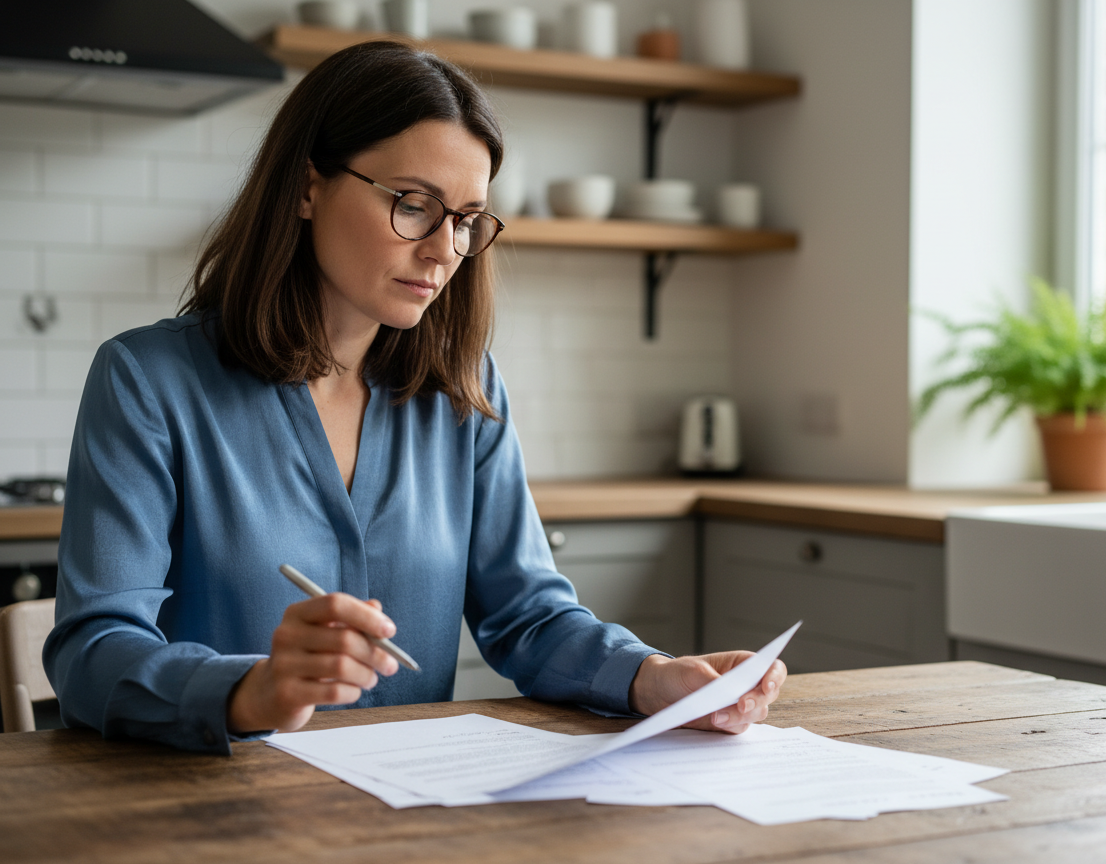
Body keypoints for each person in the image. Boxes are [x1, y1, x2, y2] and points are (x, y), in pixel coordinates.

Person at [43, 41, 786, 754]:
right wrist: (252, 691)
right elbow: (92, 653)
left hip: (413, 816)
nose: (443, 250)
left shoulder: (464, 390)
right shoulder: (146, 381)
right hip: (214, 812)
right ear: (307, 187)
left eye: (465, 220)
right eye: (412, 204)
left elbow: (528, 616)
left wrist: (653, 678)